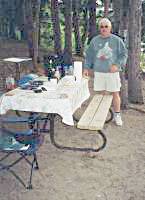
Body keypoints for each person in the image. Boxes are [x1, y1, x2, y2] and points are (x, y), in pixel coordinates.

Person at [83, 18, 128, 126]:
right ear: (99, 28)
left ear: (110, 28)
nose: (104, 29)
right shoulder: (95, 40)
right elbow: (89, 56)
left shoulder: (117, 40)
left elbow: (124, 54)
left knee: (115, 93)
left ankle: (117, 115)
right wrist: (86, 68)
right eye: (101, 27)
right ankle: (101, 115)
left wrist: (117, 65)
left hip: (112, 73)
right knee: (101, 95)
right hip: (99, 73)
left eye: (106, 26)